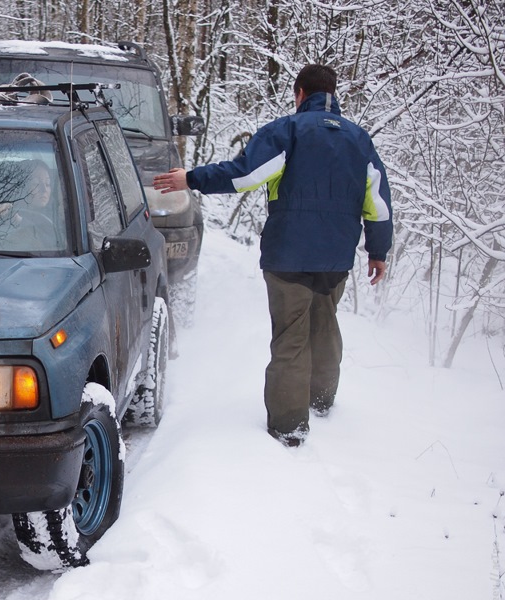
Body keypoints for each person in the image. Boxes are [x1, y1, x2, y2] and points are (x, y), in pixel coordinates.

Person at [153, 64, 393, 447]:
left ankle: (289, 427)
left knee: (290, 338)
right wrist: (378, 250)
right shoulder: (359, 139)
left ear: (300, 93)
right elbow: (378, 203)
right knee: (325, 325)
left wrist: (192, 178)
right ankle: (321, 403)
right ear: (333, 94)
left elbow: (245, 175)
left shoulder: (288, 131)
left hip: (288, 256)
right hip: (336, 258)